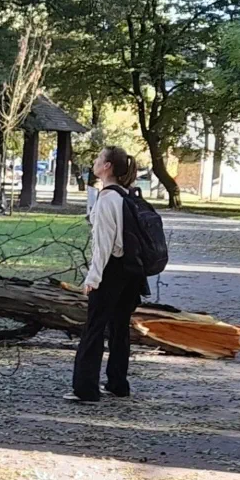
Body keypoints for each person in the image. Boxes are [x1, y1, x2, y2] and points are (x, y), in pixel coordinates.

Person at [68, 146, 150, 402]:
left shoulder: (107, 199)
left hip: (111, 270)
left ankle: (86, 389)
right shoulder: (127, 195)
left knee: (94, 329)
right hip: (132, 272)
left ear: (107, 167)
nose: (95, 161)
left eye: (99, 158)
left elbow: (104, 244)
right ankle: (118, 383)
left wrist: (93, 278)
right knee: (119, 328)